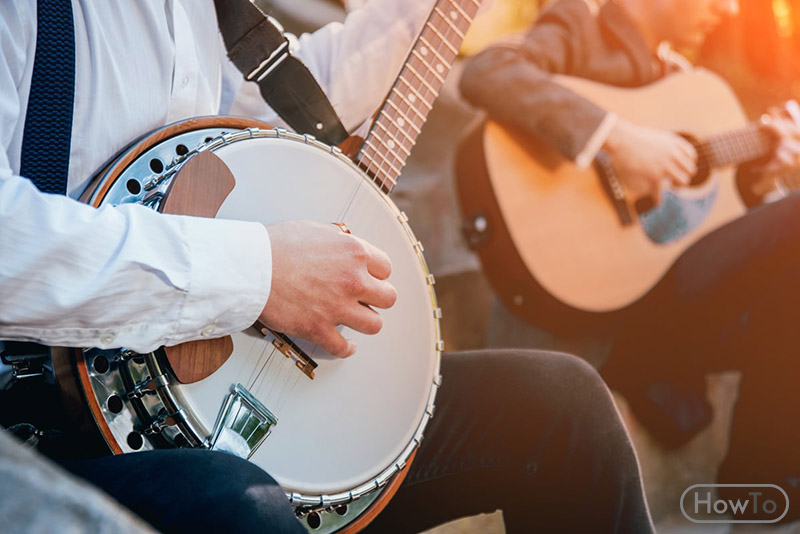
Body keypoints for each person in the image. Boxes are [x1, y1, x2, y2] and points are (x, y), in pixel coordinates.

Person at [0, 1, 654, 533]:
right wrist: (264, 274)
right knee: (239, 503)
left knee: (558, 408)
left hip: (210, 379)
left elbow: (285, 111)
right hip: (39, 427)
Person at [460, 0, 800, 512]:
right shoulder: (581, 23)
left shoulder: (683, 81)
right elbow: (488, 72)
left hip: (668, 302)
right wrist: (619, 139)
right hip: (597, 310)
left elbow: (706, 219)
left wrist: (759, 176)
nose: (729, 10)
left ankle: (763, 494)